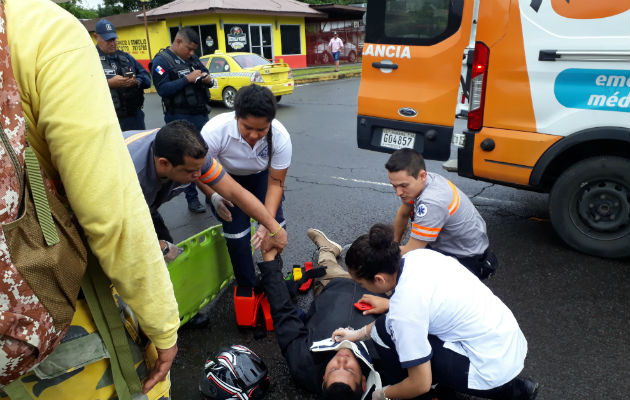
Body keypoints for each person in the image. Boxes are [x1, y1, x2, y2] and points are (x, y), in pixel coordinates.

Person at [4, 0, 178, 394]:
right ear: (98, 37)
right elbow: (110, 210)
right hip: (48, 313)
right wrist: (162, 323)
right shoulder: (41, 30)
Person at [333, 224, 539, 400]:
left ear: (379, 279)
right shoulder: (419, 257)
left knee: (385, 336)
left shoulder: (405, 311)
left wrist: (382, 394)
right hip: (506, 339)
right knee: (391, 328)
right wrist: (356, 334)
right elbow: (417, 305)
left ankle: (511, 391)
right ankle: (515, 386)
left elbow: (420, 383)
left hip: (488, 365)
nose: (360, 286)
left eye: (360, 282)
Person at [255, 229, 398, 399]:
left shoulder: (304, 364)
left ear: (323, 380)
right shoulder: (391, 372)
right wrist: (393, 305)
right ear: (364, 382)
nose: (342, 359)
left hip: (333, 284)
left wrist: (268, 259)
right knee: (395, 265)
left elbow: (283, 312)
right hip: (384, 291)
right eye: (350, 369)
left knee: (326, 264)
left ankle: (328, 249)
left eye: (334, 368)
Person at [124, 120, 287, 264]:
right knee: (143, 258)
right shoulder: (128, 180)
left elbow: (235, 192)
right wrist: (159, 246)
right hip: (114, 207)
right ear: (164, 164)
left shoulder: (189, 154)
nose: (199, 176)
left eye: (200, 168)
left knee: (165, 249)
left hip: (146, 203)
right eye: (191, 172)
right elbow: (115, 233)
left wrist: (274, 227)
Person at [200, 85, 291, 293]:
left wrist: (266, 224)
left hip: (262, 179)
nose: (253, 135)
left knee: (276, 228)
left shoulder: (280, 137)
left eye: (261, 129)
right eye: (247, 127)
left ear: (270, 122)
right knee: (237, 236)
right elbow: (197, 170)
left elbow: (276, 183)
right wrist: (213, 195)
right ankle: (247, 285)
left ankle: (273, 279)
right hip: (224, 178)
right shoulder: (214, 131)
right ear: (236, 117)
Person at [386, 148, 498, 279]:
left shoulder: (432, 202)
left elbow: (412, 251)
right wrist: (394, 244)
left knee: (406, 276)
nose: (398, 192)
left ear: (422, 176)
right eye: (394, 186)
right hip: (461, 245)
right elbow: (403, 214)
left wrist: (377, 254)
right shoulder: (423, 181)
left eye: (403, 186)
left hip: (465, 260)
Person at [151, 27, 214, 213]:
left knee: (207, 156)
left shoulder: (192, 59)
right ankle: (192, 199)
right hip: (178, 117)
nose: (192, 53)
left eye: (194, 50)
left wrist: (206, 78)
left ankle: (213, 195)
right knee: (186, 160)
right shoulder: (162, 61)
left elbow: (206, 74)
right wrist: (187, 79)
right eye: (189, 48)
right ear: (178, 42)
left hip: (200, 114)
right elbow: (162, 90)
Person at [94, 19, 151, 131]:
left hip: (135, 117)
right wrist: (108, 83)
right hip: (109, 121)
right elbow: (82, 87)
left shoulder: (126, 57)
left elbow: (147, 79)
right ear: (96, 37)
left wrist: (136, 81)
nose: (112, 43)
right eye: (108, 40)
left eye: (114, 39)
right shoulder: (89, 59)